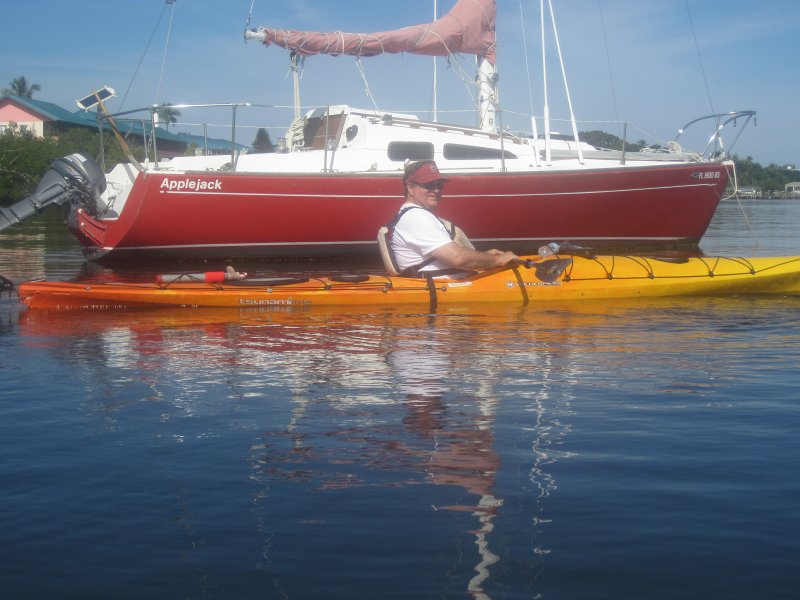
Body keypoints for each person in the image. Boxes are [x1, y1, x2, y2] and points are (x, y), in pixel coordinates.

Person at [388, 160, 519, 278]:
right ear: (410, 187)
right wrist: (498, 260)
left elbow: (445, 257)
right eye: (429, 185)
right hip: (446, 292)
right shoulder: (416, 217)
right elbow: (456, 258)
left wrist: (486, 257)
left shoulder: (410, 214)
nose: (436, 190)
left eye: (439, 185)